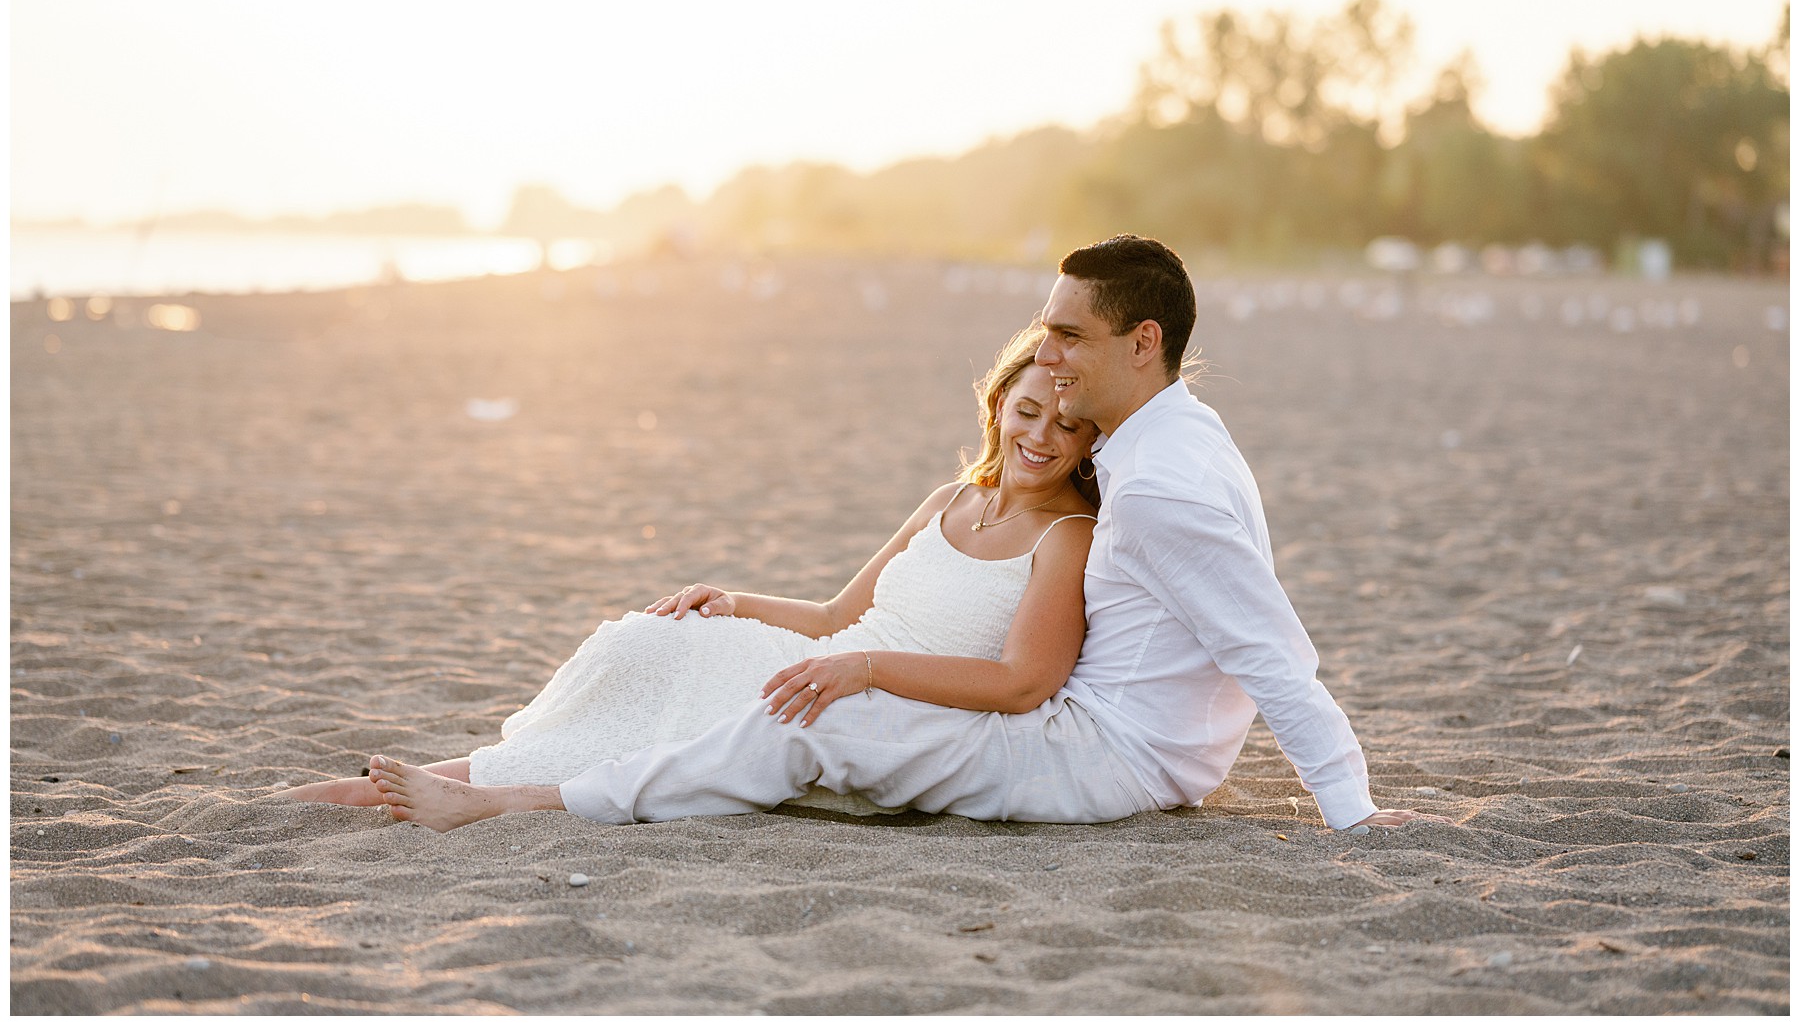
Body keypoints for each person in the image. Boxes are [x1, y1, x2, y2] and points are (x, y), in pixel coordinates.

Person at [364, 234, 1446, 834]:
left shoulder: (1158, 483)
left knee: (812, 726)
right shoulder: (1169, 440)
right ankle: (495, 767)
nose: (1050, 357)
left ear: (1142, 339)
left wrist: (1351, 808)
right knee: (765, 683)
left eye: (1069, 335)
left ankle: (508, 799)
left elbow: (1265, 645)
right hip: (1100, 731)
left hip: (1103, 754)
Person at [278, 324, 1102, 814]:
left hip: (870, 692)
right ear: (998, 404)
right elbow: (831, 615)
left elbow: (1023, 684)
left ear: (1088, 439)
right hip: (824, 661)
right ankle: (426, 783)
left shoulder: (1065, 535)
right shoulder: (950, 498)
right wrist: (734, 598)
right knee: (651, 644)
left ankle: (430, 794)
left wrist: (865, 667)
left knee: (684, 707)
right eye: (1026, 411)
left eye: (1066, 425)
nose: (1040, 436)